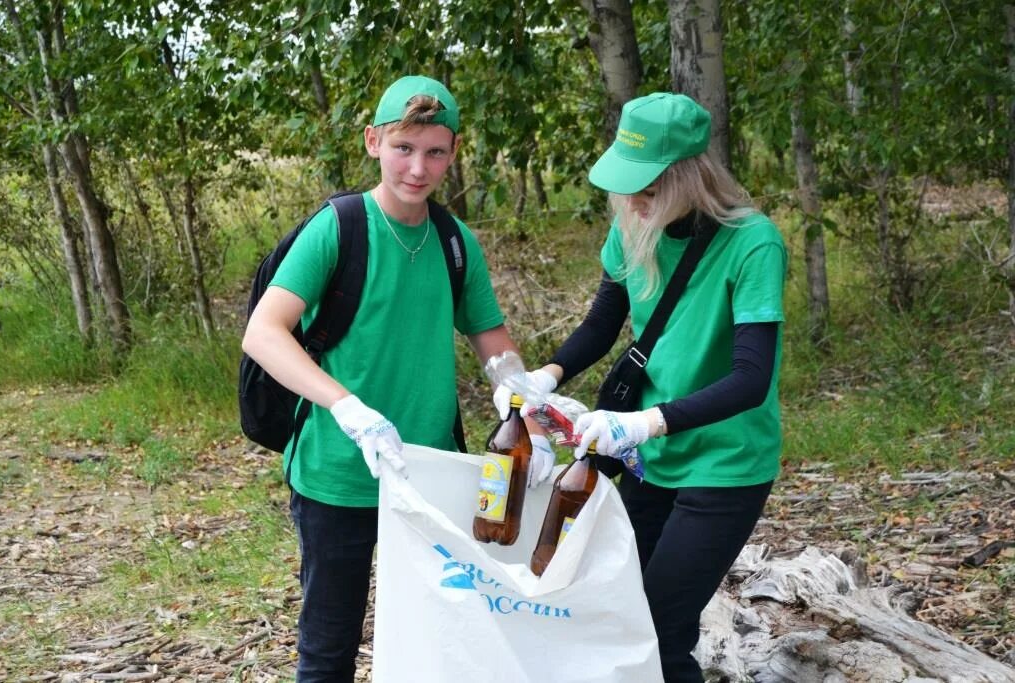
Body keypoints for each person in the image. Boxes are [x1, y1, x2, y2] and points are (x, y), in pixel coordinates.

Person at [241, 75, 554, 682]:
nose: (418, 167)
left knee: (440, 638)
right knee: (329, 648)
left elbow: (493, 342)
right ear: (373, 142)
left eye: (435, 152)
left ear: (453, 153)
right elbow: (264, 332)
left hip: (432, 474)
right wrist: (346, 407)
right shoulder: (339, 227)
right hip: (339, 472)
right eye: (403, 148)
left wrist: (529, 413)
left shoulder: (454, 240)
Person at [508, 92, 786, 682]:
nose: (635, 201)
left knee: (658, 628)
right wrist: (548, 375)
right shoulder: (633, 227)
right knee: (621, 613)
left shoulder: (753, 243)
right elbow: (602, 323)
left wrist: (642, 422)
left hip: (725, 463)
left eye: (651, 187)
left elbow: (751, 380)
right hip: (653, 462)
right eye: (628, 185)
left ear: (690, 177)